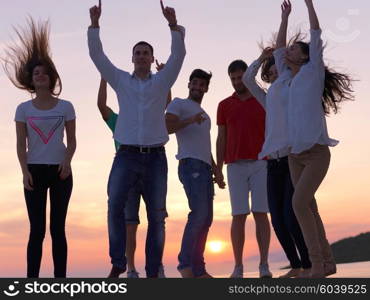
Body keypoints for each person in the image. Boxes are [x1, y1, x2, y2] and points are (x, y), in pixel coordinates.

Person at [88, 0, 186, 277]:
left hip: (156, 157)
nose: (142, 56)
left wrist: (172, 26)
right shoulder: (120, 80)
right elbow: (98, 56)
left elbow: (178, 56)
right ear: (132, 58)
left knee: (157, 216)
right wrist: (95, 25)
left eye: (146, 53)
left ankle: (153, 270)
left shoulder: (162, 81)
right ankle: (118, 262)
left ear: (150, 58)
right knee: (114, 205)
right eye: (138, 53)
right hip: (126, 156)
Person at [276, 0, 354, 278]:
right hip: (295, 156)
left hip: (318, 153)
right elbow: (278, 49)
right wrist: (284, 17)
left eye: (295, 48)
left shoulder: (313, 71)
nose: (289, 50)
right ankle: (329, 262)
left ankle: (317, 264)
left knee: (298, 204)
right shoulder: (286, 78)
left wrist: (308, 4)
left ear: (306, 56)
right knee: (309, 206)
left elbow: (316, 31)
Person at [4, 18, 76, 277]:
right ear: (31, 81)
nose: (41, 75)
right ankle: (31, 281)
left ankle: (60, 281)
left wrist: (67, 162)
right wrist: (24, 172)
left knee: (58, 229)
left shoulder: (65, 106)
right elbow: (19, 144)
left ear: (52, 77)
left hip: (60, 172)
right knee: (37, 230)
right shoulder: (23, 109)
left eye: (45, 72)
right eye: (36, 73)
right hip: (33, 171)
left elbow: (72, 140)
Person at [96, 60, 171, 278]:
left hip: (151, 163)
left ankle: (155, 268)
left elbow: (164, 102)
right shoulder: (117, 121)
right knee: (129, 222)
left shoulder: (151, 113)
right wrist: (104, 77)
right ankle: (128, 267)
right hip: (127, 167)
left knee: (157, 217)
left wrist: (164, 78)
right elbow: (102, 106)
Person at [243, 46, 311, 278]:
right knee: (278, 222)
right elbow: (247, 79)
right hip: (272, 164)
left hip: (293, 160)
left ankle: (309, 264)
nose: (273, 77)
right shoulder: (267, 99)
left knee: (292, 217)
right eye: (269, 75)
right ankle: (296, 265)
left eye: (277, 73)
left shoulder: (295, 90)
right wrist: (261, 58)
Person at [165, 69, 225, 278]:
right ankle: (185, 265)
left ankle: (199, 270)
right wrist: (190, 120)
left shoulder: (205, 116)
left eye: (202, 84)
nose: (198, 87)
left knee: (206, 218)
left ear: (207, 88)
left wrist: (216, 169)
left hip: (205, 168)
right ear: (189, 84)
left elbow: (204, 146)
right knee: (198, 215)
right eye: (195, 83)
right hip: (190, 165)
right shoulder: (179, 104)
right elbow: (167, 126)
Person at [216, 60, 272, 278]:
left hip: (261, 162)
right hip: (235, 166)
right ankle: (238, 267)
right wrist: (218, 168)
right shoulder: (224, 105)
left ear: (248, 76)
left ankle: (264, 265)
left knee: (261, 214)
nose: (237, 82)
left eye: (240, 77)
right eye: (233, 79)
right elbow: (221, 138)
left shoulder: (263, 100)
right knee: (238, 215)